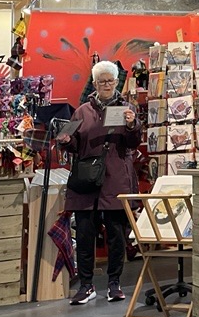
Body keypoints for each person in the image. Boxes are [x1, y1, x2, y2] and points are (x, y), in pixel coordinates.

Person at [58, 60, 140, 304]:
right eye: (101, 80)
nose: (106, 84)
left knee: (116, 235)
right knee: (84, 234)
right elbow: (75, 145)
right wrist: (65, 140)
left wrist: (131, 124)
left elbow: (133, 143)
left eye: (110, 80)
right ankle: (86, 285)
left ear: (117, 82)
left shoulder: (127, 108)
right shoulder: (82, 111)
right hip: (86, 182)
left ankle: (114, 284)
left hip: (115, 180)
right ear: (94, 83)